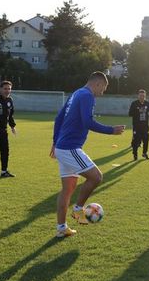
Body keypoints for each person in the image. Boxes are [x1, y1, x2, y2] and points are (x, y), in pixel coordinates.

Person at [51, 72, 126, 238]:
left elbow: (58, 118)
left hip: (63, 147)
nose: (102, 93)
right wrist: (111, 130)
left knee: (68, 189)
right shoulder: (87, 96)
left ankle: (61, 228)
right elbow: (87, 121)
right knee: (96, 177)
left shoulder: (76, 93)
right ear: (98, 84)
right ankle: (78, 210)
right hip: (71, 147)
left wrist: (55, 142)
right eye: (104, 89)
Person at [128, 89, 149, 161]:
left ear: (145, 96)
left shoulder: (147, 104)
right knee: (135, 141)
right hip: (136, 126)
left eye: (143, 96)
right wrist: (137, 110)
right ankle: (135, 154)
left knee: (146, 140)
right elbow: (130, 114)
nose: (142, 97)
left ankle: (145, 153)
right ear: (138, 96)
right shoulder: (134, 103)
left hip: (145, 126)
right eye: (140, 96)